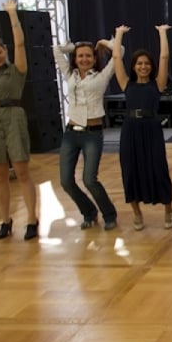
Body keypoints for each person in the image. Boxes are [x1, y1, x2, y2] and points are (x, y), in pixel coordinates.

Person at [112, 25, 172, 230]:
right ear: (134, 66)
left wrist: (162, 34)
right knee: (130, 171)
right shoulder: (126, 84)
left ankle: (168, 209)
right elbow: (115, 58)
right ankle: (137, 213)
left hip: (151, 129)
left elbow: (164, 57)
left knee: (159, 169)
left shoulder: (157, 84)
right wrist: (119, 34)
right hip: (130, 131)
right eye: (139, 63)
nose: (143, 66)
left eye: (147, 63)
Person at [53, 35, 119, 230]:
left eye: (88, 56)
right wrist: (76, 46)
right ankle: (88, 212)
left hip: (93, 133)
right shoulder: (69, 74)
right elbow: (57, 50)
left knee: (89, 179)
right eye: (80, 56)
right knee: (66, 181)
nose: (84, 59)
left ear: (94, 58)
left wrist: (103, 44)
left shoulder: (102, 75)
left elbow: (119, 52)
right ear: (75, 58)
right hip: (71, 133)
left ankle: (109, 214)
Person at [0, 0, 38, 240]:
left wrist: (12, 14)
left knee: (21, 171)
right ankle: (5, 220)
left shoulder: (16, 69)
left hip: (13, 117)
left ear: (5, 51)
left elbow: (20, 41)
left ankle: (31, 219)